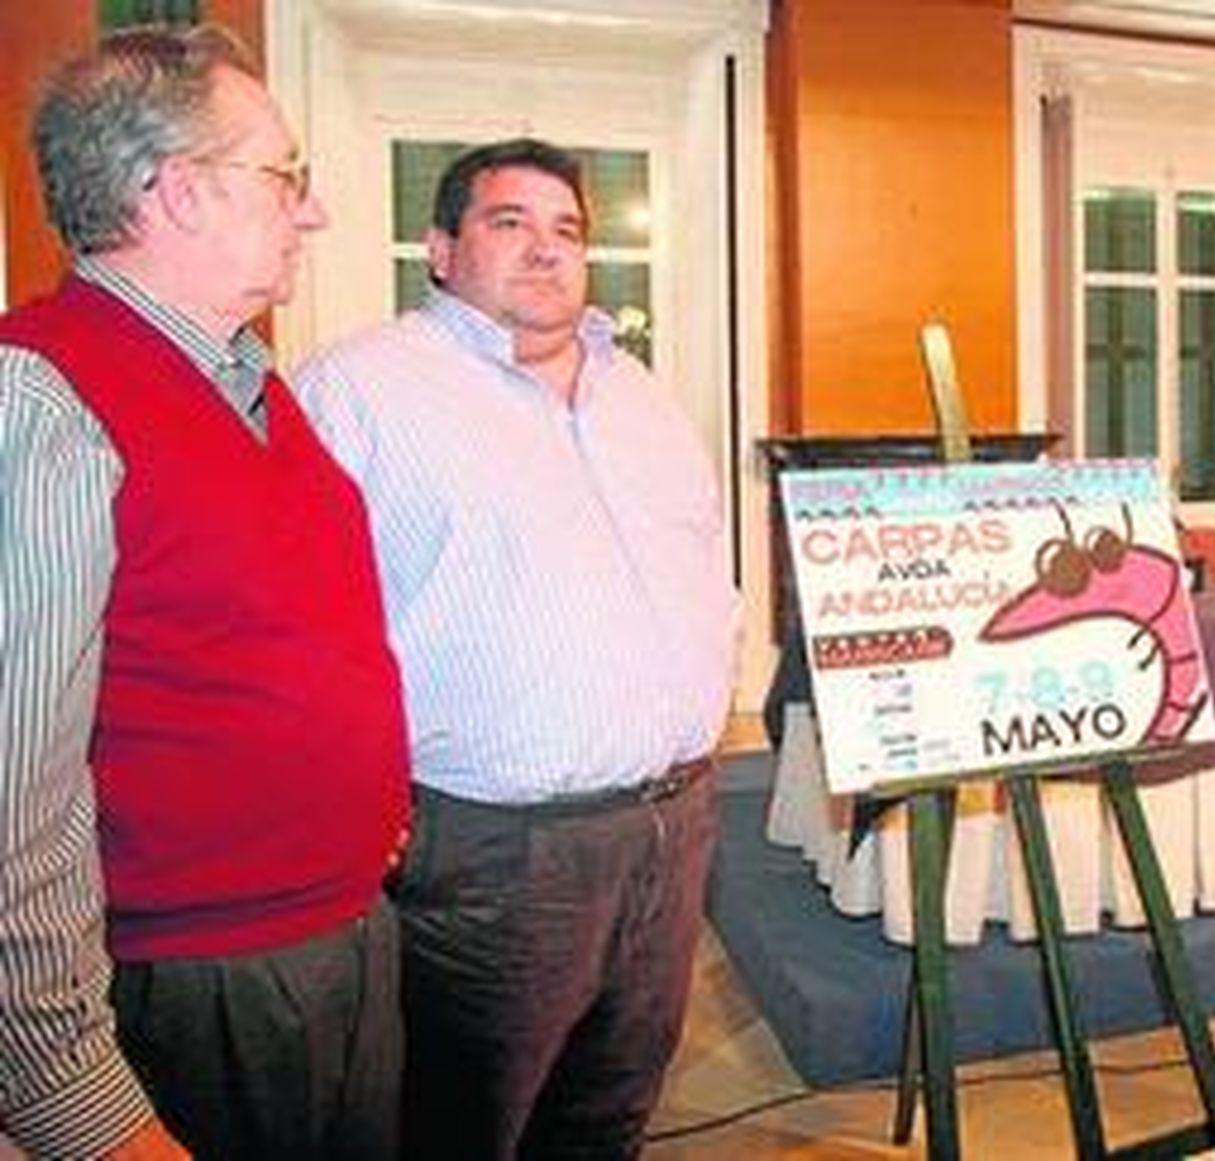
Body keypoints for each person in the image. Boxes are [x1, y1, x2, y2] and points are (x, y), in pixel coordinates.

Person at [0, 25, 411, 1160]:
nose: (312, 212)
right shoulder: (40, 396)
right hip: (196, 989)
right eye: (287, 177)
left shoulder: (249, 381)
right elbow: (7, 803)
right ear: (179, 192)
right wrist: (76, 1104)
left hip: (334, 936)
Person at [292, 137, 739, 1160]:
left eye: (567, 229)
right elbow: (310, 626)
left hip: (671, 832)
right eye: (509, 223)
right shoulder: (358, 390)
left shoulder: (642, 395)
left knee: (607, 1118)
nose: (545, 249)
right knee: (458, 1126)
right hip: (497, 855)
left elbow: (706, 566)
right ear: (440, 249)